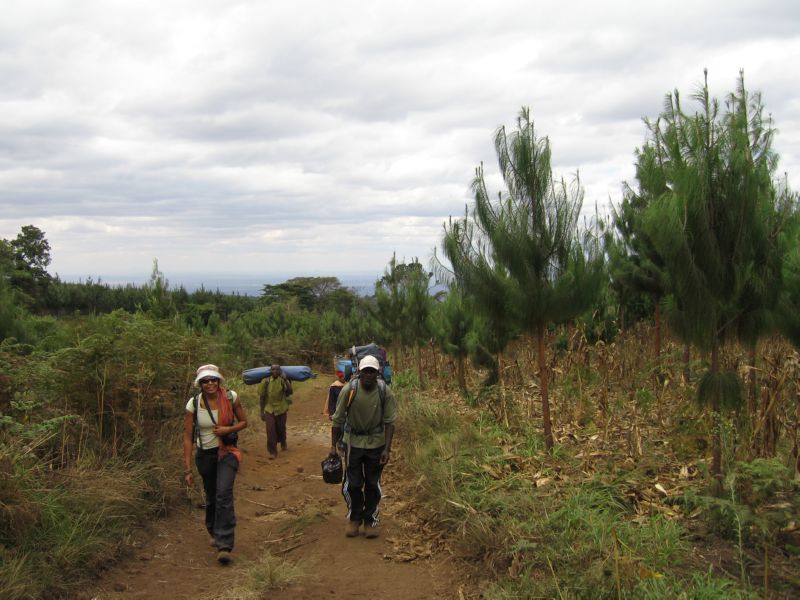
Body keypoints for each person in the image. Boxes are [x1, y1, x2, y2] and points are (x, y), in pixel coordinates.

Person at [183, 364, 248, 565]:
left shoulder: (230, 397)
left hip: (227, 452)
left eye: (213, 379)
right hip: (205, 456)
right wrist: (187, 469)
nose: (210, 383)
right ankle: (212, 528)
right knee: (212, 495)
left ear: (218, 381)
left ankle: (224, 544)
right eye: (205, 380)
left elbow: (244, 422)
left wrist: (227, 429)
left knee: (224, 492)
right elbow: (187, 437)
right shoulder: (193, 404)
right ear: (200, 384)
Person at [329, 355, 396, 538]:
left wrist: (387, 449)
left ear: (377, 373)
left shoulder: (385, 392)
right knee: (353, 483)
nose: (368, 375)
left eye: (372, 372)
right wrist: (333, 447)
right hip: (353, 443)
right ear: (359, 372)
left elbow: (390, 422)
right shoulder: (349, 390)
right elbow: (338, 420)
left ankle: (370, 520)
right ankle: (354, 517)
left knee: (373, 484)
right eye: (365, 371)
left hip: (376, 443)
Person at [258, 364, 293, 459]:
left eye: (277, 369)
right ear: (270, 371)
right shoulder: (266, 381)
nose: (275, 371)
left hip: (281, 408)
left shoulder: (283, 380)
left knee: (281, 428)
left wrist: (286, 380)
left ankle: (283, 441)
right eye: (273, 369)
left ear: (280, 371)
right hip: (269, 408)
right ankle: (272, 452)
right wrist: (261, 412)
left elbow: (290, 392)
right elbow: (262, 397)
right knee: (270, 430)